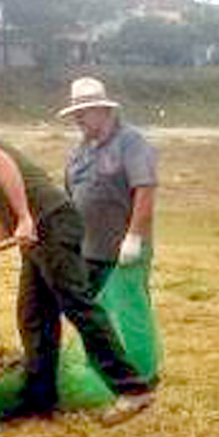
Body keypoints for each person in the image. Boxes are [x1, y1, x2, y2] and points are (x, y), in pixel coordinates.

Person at [0, 123, 156, 423]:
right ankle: (40, 399)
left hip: (53, 223)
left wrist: (24, 217)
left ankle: (132, 389)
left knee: (76, 303)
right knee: (33, 313)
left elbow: (0, 161)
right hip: (38, 233)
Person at [58, 77, 158, 297]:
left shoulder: (130, 142)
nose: (77, 119)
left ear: (103, 111)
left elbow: (145, 190)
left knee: (126, 317)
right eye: (75, 113)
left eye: (83, 113)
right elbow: (70, 197)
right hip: (86, 253)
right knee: (94, 319)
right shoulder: (78, 152)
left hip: (122, 254)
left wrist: (134, 238)